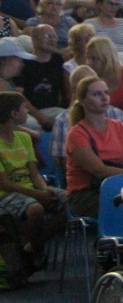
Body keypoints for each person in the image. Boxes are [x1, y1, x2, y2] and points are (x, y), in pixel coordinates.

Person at [0, 91, 66, 276]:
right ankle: (36, 252)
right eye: (24, 109)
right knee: (35, 209)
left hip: (30, 189)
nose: (27, 113)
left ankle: (32, 247)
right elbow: (5, 184)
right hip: (5, 194)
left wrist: (45, 191)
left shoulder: (24, 138)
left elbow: (34, 173)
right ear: (14, 114)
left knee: (68, 199)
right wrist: (38, 195)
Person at [65, 76, 123, 218]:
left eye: (106, 93)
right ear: (83, 101)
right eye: (97, 94)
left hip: (119, 185)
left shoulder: (118, 126)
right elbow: (99, 171)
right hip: (87, 193)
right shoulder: (77, 133)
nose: (104, 98)